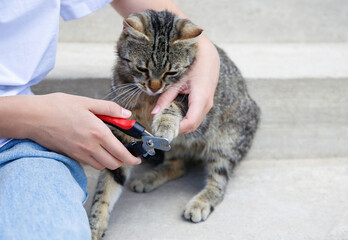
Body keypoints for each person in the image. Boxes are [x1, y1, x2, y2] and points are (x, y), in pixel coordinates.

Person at [0, 0, 220, 239]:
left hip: (16, 143)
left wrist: (207, 56)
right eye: (143, 70)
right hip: (28, 127)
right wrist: (37, 118)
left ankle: (189, 173)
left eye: (167, 75)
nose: (154, 86)